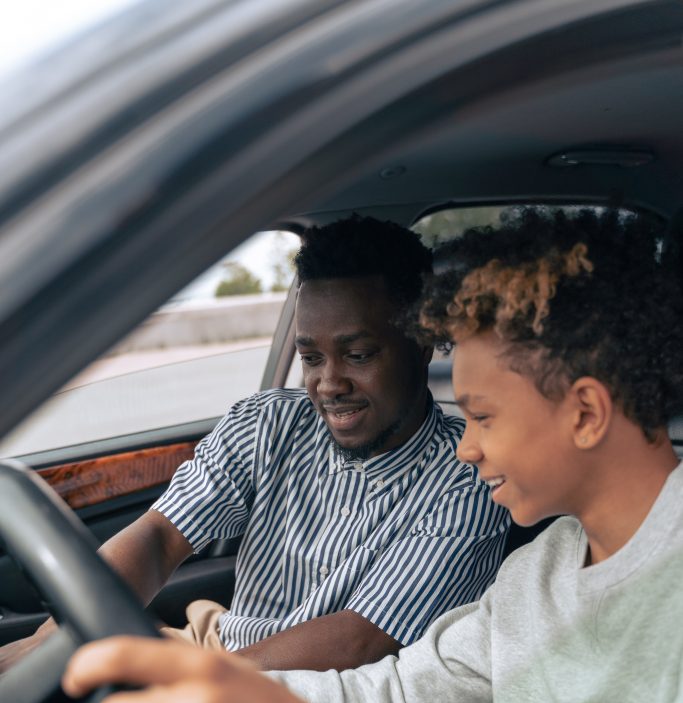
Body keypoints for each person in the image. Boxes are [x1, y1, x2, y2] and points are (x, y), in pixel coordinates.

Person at [63, 207, 683, 703]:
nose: (467, 448)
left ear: (584, 412)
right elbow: (400, 694)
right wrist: (211, 690)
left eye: (482, 416)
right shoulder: (540, 568)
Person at [0, 216, 507, 675]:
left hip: (315, 700)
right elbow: (157, 539)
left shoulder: (469, 476)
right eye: (311, 359)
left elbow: (359, 642)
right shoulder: (266, 423)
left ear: (419, 347)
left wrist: (191, 683)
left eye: (357, 355)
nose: (329, 383)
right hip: (214, 650)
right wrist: (56, 641)